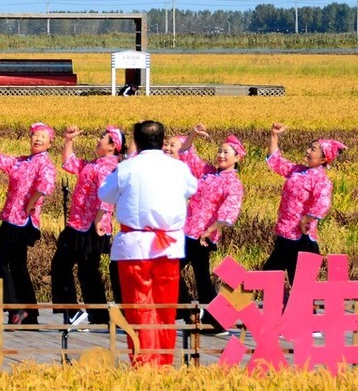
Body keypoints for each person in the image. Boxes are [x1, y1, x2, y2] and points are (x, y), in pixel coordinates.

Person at [98, 120, 197, 366]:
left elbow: (104, 194)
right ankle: (162, 362)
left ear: (137, 142)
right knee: (165, 307)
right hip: (168, 246)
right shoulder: (178, 168)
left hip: (134, 246)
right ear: (163, 141)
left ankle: (143, 361)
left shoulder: (127, 168)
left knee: (139, 306)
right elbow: (192, 189)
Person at [0, 121, 57, 325]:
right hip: (11, 218)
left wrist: (30, 205)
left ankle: (15, 307)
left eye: (43, 136)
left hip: (22, 221)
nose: (38, 138)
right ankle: (30, 313)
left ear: (50, 143)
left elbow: (45, 187)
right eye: (35, 135)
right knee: (18, 266)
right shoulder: (22, 161)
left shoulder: (45, 163)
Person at [174, 124, 246, 330]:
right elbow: (185, 152)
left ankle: (199, 314)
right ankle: (210, 318)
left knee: (193, 276)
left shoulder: (233, 183)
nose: (221, 155)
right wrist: (193, 135)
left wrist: (210, 230)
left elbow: (229, 211)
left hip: (203, 237)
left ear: (237, 158)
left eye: (226, 152)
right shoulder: (206, 172)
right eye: (220, 151)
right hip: (188, 231)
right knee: (197, 277)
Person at [51, 125, 123, 326]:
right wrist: (68, 140)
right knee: (87, 270)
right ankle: (98, 316)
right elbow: (69, 163)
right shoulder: (94, 164)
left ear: (113, 146)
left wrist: (100, 219)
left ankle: (74, 311)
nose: (98, 139)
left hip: (91, 225)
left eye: (103, 137)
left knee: (63, 265)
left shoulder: (108, 167)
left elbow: (108, 196)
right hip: (79, 223)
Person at [263, 123, 345, 285]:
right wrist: (274, 135)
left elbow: (323, 203)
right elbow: (276, 161)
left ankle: (296, 308)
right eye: (309, 147)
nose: (308, 151)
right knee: (270, 277)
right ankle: (282, 307)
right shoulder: (297, 170)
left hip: (301, 238)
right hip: (285, 234)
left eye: (313, 149)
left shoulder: (321, 179)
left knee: (295, 284)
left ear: (323, 159)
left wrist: (307, 218)